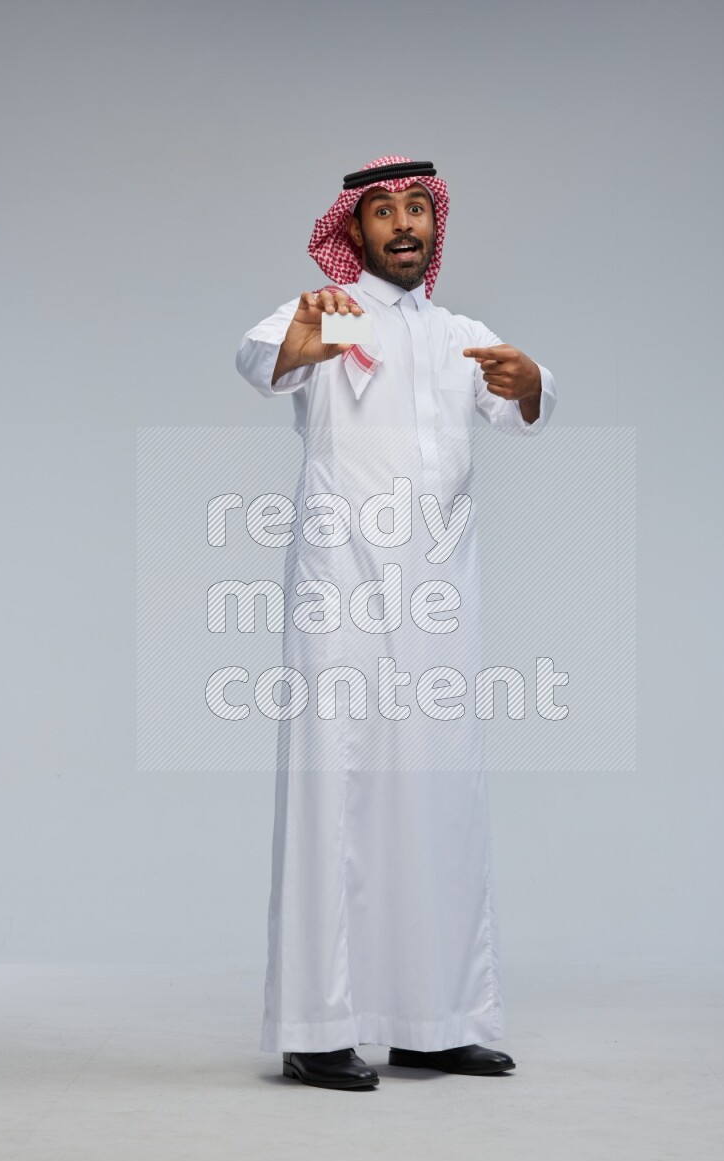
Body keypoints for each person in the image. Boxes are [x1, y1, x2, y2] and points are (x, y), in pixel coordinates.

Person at [235, 156, 557, 1090]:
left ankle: (436, 1019)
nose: (404, 225)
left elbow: (522, 408)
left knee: (440, 795)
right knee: (334, 791)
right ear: (357, 228)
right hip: (341, 587)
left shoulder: (463, 333)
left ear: (434, 224)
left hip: (439, 597)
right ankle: (316, 1024)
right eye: (384, 212)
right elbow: (259, 360)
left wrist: (533, 378)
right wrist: (297, 342)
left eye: (418, 208)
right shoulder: (326, 308)